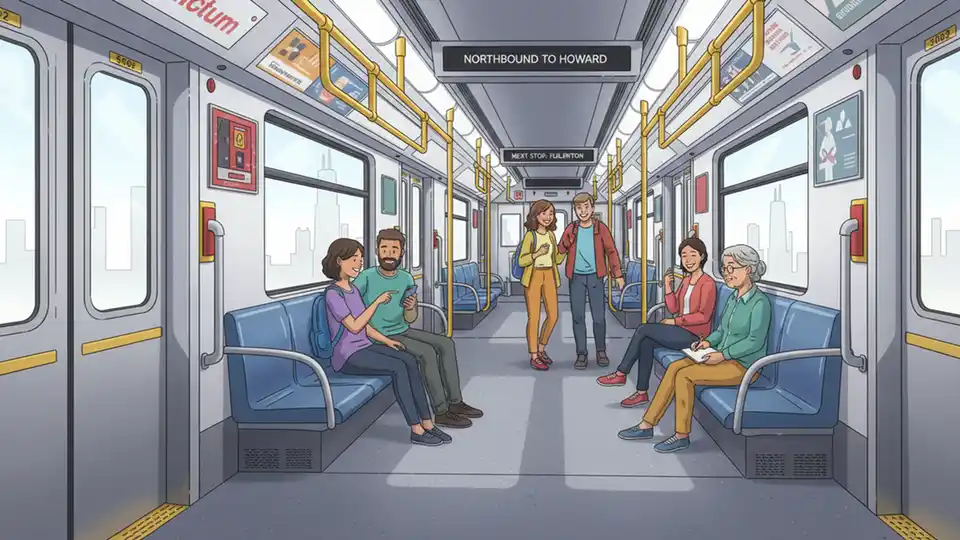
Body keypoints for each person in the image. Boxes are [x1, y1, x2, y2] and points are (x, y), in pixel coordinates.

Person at [617, 244, 771, 453]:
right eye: (725, 269)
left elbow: (754, 341)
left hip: (743, 366)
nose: (727, 274)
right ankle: (647, 424)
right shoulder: (733, 300)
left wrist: (722, 354)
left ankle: (681, 435)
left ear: (749, 269)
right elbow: (721, 331)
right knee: (674, 368)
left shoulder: (760, 303)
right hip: (721, 356)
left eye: (732, 268)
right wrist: (707, 342)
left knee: (685, 376)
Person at [321, 238, 449, 447]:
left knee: (409, 360)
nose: (359, 264)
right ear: (338, 261)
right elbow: (354, 326)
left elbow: (366, 328)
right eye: (354, 260)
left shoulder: (352, 290)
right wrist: (376, 302)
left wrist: (387, 341)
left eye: (360, 260)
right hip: (347, 356)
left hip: (365, 347)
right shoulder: (333, 294)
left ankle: (427, 422)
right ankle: (415, 428)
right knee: (398, 367)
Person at [355, 228, 483, 428]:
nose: (389, 253)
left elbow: (411, 318)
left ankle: (455, 402)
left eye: (394, 249)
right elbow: (353, 312)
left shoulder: (406, 278)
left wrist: (411, 307)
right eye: (384, 248)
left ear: (402, 253)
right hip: (377, 336)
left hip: (402, 329)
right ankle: (441, 411)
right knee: (427, 353)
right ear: (377, 251)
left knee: (446, 343)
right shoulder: (365, 278)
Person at [597, 237, 717, 408]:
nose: (688, 260)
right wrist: (668, 287)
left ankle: (621, 372)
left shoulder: (708, 283)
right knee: (646, 342)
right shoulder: (685, 281)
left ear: (702, 257)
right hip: (681, 330)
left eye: (693, 255)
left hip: (696, 337)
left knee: (643, 329)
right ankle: (641, 393)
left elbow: (703, 316)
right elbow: (674, 307)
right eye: (684, 256)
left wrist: (675, 322)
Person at [557, 192, 624, 369]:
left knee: (598, 317)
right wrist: (567, 241)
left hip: (596, 276)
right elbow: (560, 250)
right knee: (578, 316)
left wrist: (617, 275)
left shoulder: (600, 228)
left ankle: (601, 351)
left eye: (586, 207)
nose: (583, 211)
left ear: (592, 208)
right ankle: (581, 353)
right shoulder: (571, 229)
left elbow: (611, 251)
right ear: (575, 211)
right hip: (576, 278)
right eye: (579, 208)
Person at [517, 200, 566, 370]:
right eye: (543, 213)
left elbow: (556, 259)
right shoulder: (530, 235)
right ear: (535, 216)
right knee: (535, 317)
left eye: (551, 213)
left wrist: (565, 248)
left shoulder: (551, 236)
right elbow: (522, 260)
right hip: (534, 276)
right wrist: (538, 253)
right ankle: (533, 355)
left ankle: (541, 348)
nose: (547, 217)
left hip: (550, 276)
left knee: (553, 316)